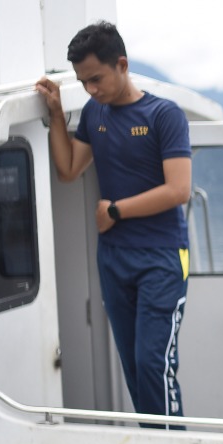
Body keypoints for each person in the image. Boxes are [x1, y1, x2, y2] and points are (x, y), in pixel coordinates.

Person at [37, 22, 192, 421]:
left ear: (121, 64)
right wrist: (56, 114)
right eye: (82, 82)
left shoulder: (164, 114)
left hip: (162, 258)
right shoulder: (94, 113)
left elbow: (179, 190)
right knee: (134, 368)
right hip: (114, 259)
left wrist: (116, 210)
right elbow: (69, 168)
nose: (90, 89)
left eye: (96, 79)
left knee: (153, 365)